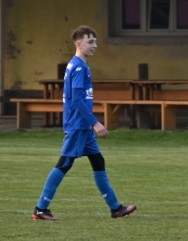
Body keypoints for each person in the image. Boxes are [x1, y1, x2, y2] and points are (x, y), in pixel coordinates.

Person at [31, 26, 137, 221]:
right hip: (79, 125)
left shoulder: (76, 65)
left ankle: (116, 209)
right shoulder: (79, 67)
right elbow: (77, 99)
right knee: (64, 163)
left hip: (83, 126)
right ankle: (40, 208)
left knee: (98, 162)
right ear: (78, 43)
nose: (94, 45)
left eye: (95, 42)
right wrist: (95, 123)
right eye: (90, 42)